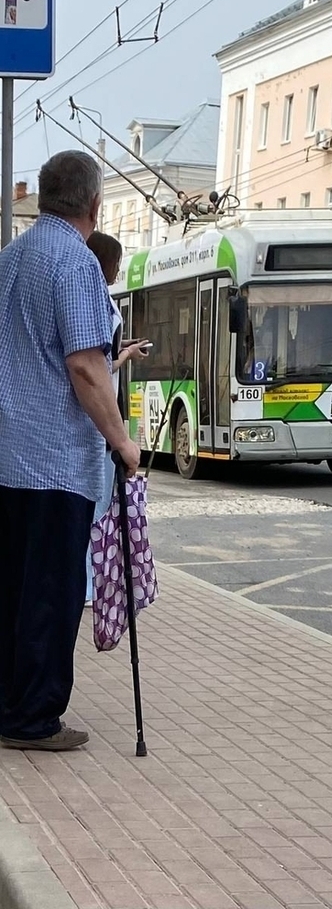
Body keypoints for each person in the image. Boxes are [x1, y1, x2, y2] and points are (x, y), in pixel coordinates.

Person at [0, 151, 141, 753]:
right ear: (93, 204)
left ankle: (8, 704)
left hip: (7, 458)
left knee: (11, 588)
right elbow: (85, 367)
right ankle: (33, 718)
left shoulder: (9, 260)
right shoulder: (76, 263)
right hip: (55, 463)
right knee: (52, 592)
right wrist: (122, 441)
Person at [84, 232, 150, 605]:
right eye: (117, 262)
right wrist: (123, 357)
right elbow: (93, 363)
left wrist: (124, 346)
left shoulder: (97, 298)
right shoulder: (99, 301)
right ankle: (92, 586)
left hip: (100, 417)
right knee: (99, 509)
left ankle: (90, 584)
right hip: (102, 420)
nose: (119, 269)